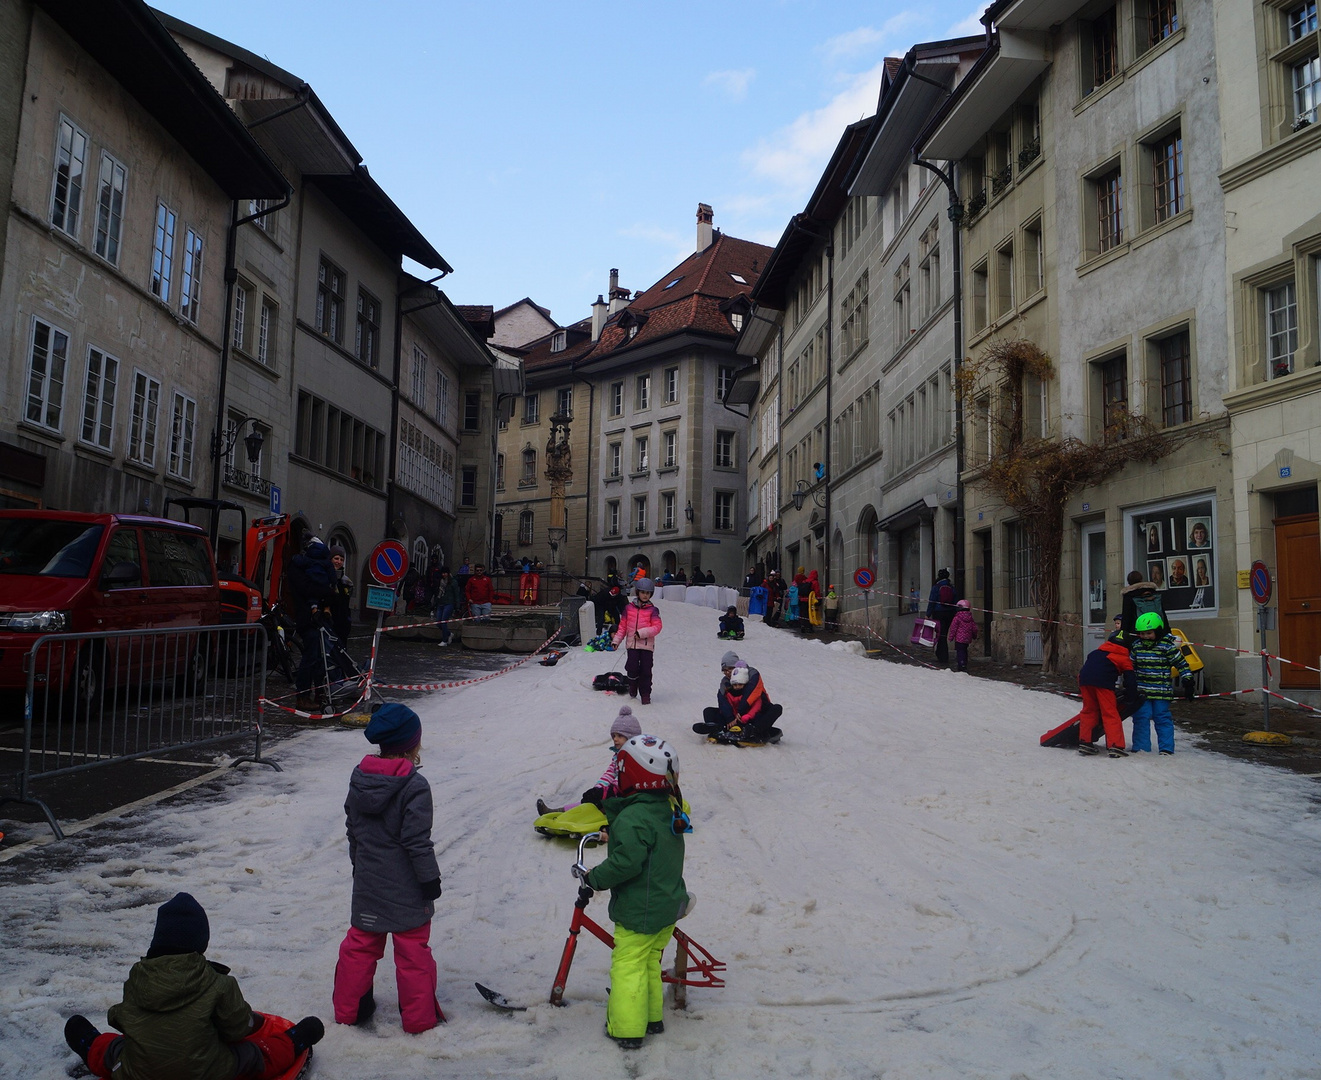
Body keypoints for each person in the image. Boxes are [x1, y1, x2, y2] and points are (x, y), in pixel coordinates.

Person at [63, 893, 324, 1079]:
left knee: (113, 1049)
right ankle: (296, 1040)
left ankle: (87, 1042)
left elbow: (119, 1018)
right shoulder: (217, 983)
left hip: (140, 1072)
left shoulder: (136, 978)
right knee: (254, 1056)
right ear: (201, 943)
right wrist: (249, 1022)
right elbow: (236, 1029)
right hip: (207, 1072)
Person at [333, 703, 444, 1033]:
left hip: (368, 882)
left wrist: (359, 866)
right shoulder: (414, 786)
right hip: (407, 887)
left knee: (360, 946)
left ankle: (348, 1012)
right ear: (413, 743)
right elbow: (416, 840)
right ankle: (419, 1019)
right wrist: (429, 879)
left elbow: (353, 828)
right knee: (413, 952)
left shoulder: (360, 777)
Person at [578, 735, 690, 1050]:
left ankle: (626, 1029)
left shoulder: (633, 818)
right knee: (649, 962)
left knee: (628, 965)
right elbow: (646, 838)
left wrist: (594, 878)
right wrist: (613, 826)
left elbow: (625, 863)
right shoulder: (666, 808)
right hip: (665, 907)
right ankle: (652, 1018)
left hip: (640, 911)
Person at [536, 705, 642, 816]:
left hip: (628, 797)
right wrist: (599, 788)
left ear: (631, 738)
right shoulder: (618, 755)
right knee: (591, 802)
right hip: (615, 793)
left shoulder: (634, 757)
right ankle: (559, 812)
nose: (615, 739)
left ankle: (566, 815)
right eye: (614, 735)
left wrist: (605, 792)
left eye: (620, 736)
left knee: (596, 806)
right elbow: (610, 773)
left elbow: (625, 780)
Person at [1128, 612, 1194, 754]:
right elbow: (1130, 665)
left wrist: (1188, 680)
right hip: (1142, 691)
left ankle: (1166, 748)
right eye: (1142, 633)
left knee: (1162, 718)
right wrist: (1128, 682)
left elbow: (1181, 664)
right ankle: (1141, 747)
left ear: (1157, 630)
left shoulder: (1166, 646)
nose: (1145, 636)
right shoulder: (1137, 646)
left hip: (1162, 692)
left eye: (1149, 633)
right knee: (1141, 717)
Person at [288, 536, 337, 712]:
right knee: (311, 658)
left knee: (318, 658)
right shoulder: (298, 567)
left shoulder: (303, 563)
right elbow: (308, 588)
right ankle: (303, 696)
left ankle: (317, 693)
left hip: (313, 616)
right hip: (307, 618)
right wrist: (328, 592)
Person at [693, 653, 782, 743]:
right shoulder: (725, 682)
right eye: (724, 670)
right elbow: (722, 701)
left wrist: (740, 712)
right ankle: (717, 728)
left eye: (730, 668)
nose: (727, 672)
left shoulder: (752, 675)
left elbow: (750, 695)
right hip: (736, 717)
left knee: (776, 708)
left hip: (756, 714)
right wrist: (730, 718)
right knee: (708, 711)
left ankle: (753, 731)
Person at [1073, 632, 1135, 757]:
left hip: (1084, 680)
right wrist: (1131, 696)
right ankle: (1115, 746)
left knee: (1088, 711)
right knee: (1110, 713)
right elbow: (1130, 679)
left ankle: (1085, 742)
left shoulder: (1095, 653)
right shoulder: (1123, 657)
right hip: (1104, 684)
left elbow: (1086, 669)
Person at [613, 577, 662, 705]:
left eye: (647, 593)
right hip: (632, 645)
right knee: (632, 668)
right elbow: (622, 626)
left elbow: (657, 627)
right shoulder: (628, 608)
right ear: (638, 592)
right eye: (643, 592)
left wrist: (642, 633)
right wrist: (616, 640)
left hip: (646, 646)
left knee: (646, 670)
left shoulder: (653, 610)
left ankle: (645, 694)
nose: (645, 596)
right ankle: (633, 686)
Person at [1120, 571, 1164, 642]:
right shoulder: (1153, 592)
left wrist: (1123, 634)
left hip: (1137, 632)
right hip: (1156, 631)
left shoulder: (1129, 595)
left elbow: (1126, 617)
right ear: (1141, 579)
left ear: (1129, 582)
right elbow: (1162, 612)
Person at [926, 569, 957, 666]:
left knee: (940, 634)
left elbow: (932, 601)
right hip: (950, 613)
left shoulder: (936, 587)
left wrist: (928, 613)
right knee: (944, 633)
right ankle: (941, 654)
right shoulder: (951, 587)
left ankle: (942, 655)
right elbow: (955, 600)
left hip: (939, 612)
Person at [946, 599, 979, 672]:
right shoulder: (970, 618)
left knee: (960, 651)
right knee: (964, 650)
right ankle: (964, 663)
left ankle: (961, 663)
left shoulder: (957, 618)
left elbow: (953, 628)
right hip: (967, 639)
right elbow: (974, 628)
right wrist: (974, 635)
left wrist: (951, 637)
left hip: (959, 639)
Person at [433, 568, 462, 646]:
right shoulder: (440, 581)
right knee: (438, 622)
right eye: (442, 573)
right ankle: (449, 634)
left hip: (449, 603)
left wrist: (457, 606)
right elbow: (438, 593)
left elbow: (456, 594)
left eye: (445, 573)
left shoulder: (453, 582)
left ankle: (445, 640)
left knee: (443, 621)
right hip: (440, 603)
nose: (444, 575)